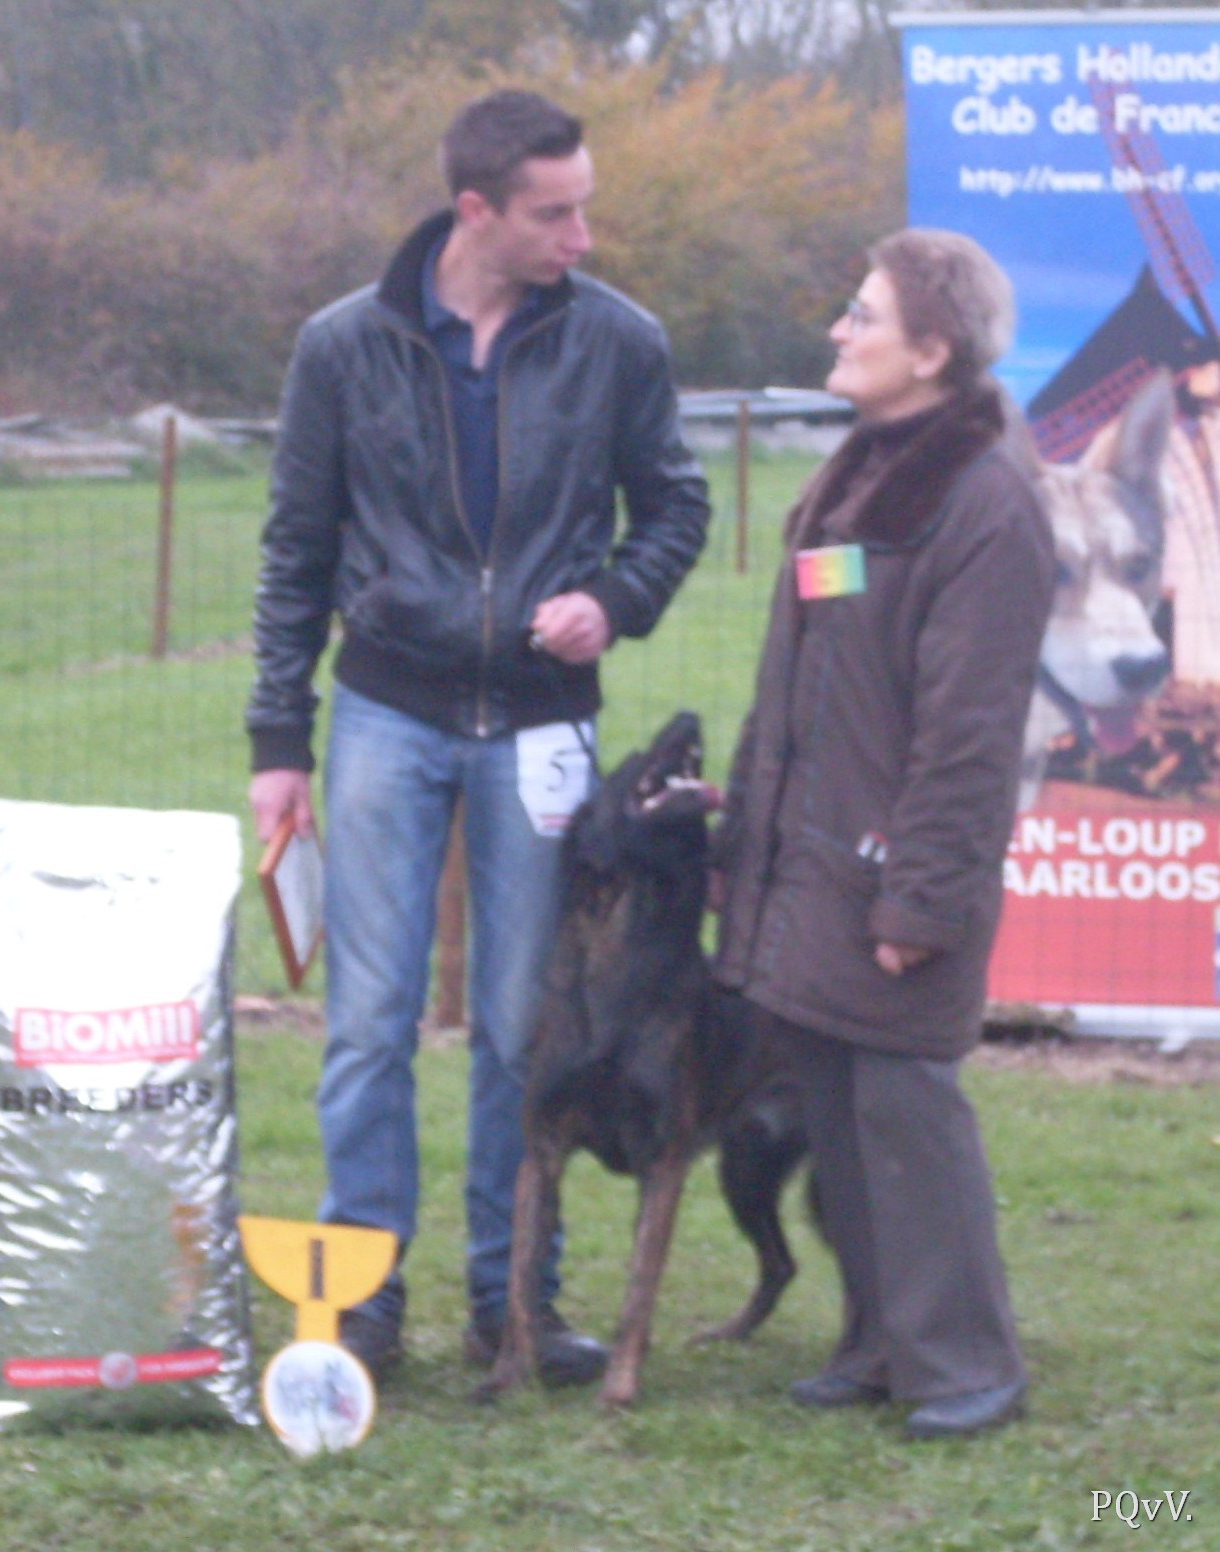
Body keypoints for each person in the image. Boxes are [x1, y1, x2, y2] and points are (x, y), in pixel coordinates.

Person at [246, 89, 710, 1383]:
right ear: (475, 211)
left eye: (584, 204)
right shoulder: (342, 345)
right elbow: (294, 551)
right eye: (553, 211)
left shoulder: (620, 342)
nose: (582, 232)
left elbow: (674, 504)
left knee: (522, 1027)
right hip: (385, 710)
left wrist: (612, 602)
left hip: (541, 730)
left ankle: (517, 1303)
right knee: (367, 1023)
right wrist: (278, 737)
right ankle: (364, 1296)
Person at [713, 229, 1054, 1440]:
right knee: (838, 1102)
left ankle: (965, 1363)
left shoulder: (985, 499)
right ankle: (878, 1340)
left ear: (933, 346)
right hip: (811, 861)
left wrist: (922, 900)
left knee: (906, 1104)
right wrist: (749, 825)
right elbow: (801, 669)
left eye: (863, 315)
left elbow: (970, 736)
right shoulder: (866, 465)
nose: (839, 331)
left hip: (891, 870)